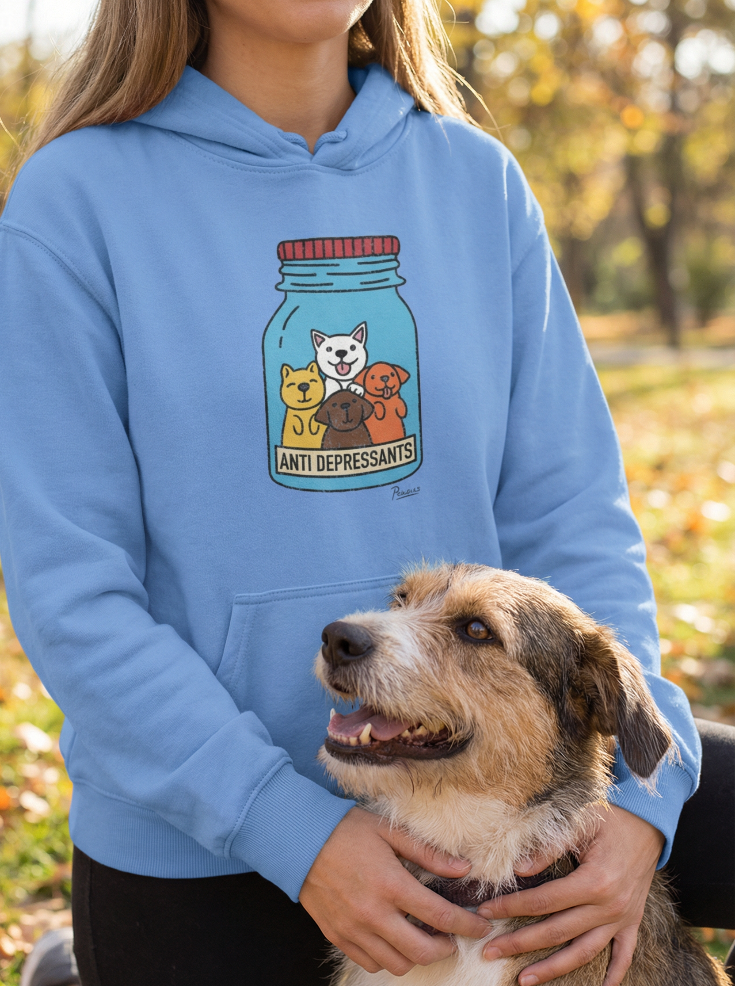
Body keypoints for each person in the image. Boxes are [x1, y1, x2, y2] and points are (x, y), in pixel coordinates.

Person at [0, 2, 731, 985]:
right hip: (202, 833)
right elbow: (71, 594)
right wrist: (287, 822)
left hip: (486, 798)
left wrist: (640, 801)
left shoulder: (478, 183)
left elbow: (576, 523)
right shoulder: (72, 200)